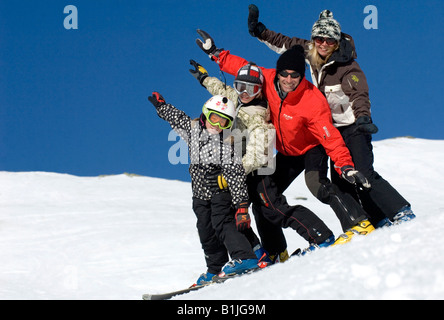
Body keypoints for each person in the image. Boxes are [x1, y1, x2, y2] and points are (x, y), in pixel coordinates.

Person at [196, 29, 374, 247]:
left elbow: (329, 136)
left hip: (311, 147)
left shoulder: (311, 100)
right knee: (265, 201)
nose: (289, 79)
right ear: (278, 73)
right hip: (287, 151)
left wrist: (344, 164)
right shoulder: (268, 79)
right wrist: (215, 53)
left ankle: (359, 223)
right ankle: (275, 251)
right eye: (285, 74)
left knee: (317, 184)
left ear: (301, 76)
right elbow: (241, 68)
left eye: (295, 75)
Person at [247, 5, 416, 229]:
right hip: (329, 128)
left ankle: (401, 210)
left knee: (363, 172)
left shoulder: (347, 67)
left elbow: (360, 94)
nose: (323, 44)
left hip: (353, 126)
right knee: (341, 179)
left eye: (329, 40)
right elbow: (283, 43)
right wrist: (260, 31)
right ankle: (376, 220)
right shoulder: (310, 51)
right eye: (319, 39)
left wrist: (364, 117)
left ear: (336, 42)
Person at [148, 92, 261, 284]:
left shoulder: (227, 145)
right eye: (214, 118)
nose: (216, 125)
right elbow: (177, 118)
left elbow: (235, 177)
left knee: (223, 224)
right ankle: (215, 269)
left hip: (221, 195)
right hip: (200, 196)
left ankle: (246, 257)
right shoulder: (192, 131)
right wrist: (161, 107)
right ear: (205, 114)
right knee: (206, 231)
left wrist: (242, 206)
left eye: (223, 122)